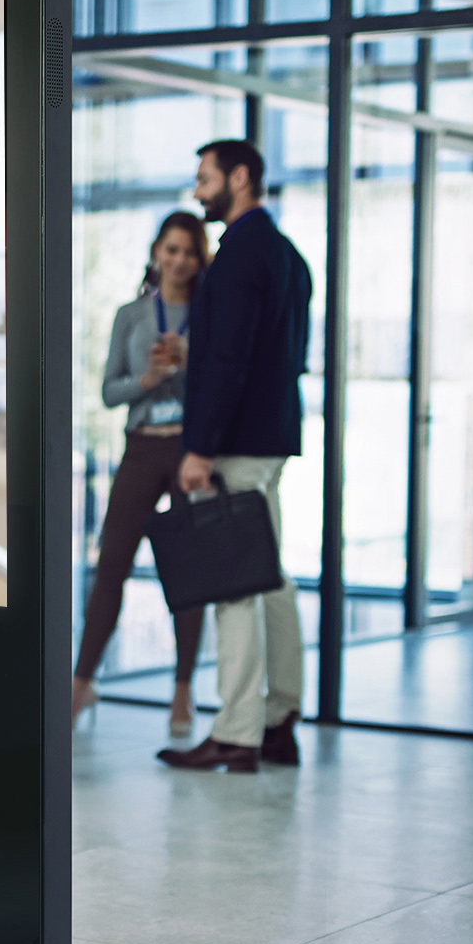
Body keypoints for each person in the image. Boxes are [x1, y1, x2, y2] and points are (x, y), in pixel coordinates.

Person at [158, 139, 312, 774]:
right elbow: (277, 355)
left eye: (205, 179)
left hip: (238, 446)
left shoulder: (238, 258)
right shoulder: (288, 256)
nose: (197, 192)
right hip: (272, 436)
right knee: (270, 576)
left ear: (240, 178)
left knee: (234, 584)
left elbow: (230, 360)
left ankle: (238, 731)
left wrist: (199, 447)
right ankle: (279, 719)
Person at [71, 212, 210, 736]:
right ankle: (82, 683)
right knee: (111, 568)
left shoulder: (208, 312)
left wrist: (189, 361)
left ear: (200, 260)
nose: (178, 261)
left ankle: (182, 688)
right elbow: (109, 392)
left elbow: (219, 386)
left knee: (188, 574)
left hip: (188, 453)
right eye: (170, 250)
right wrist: (148, 378)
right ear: (156, 252)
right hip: (140, 450)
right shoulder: (131, 314)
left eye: (189, 252)